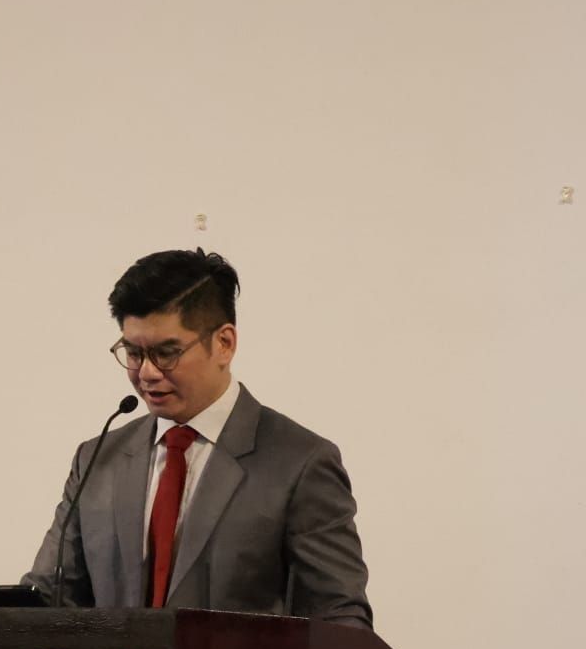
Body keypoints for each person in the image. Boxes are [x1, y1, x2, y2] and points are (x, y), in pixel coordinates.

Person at [22, 248, 372, 627]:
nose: (147, 372)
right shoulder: (97, 458)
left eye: (166, 352)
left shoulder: (300, 464)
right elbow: (49, 599)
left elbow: (341, 620)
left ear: (224, 343)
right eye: (134, 353)